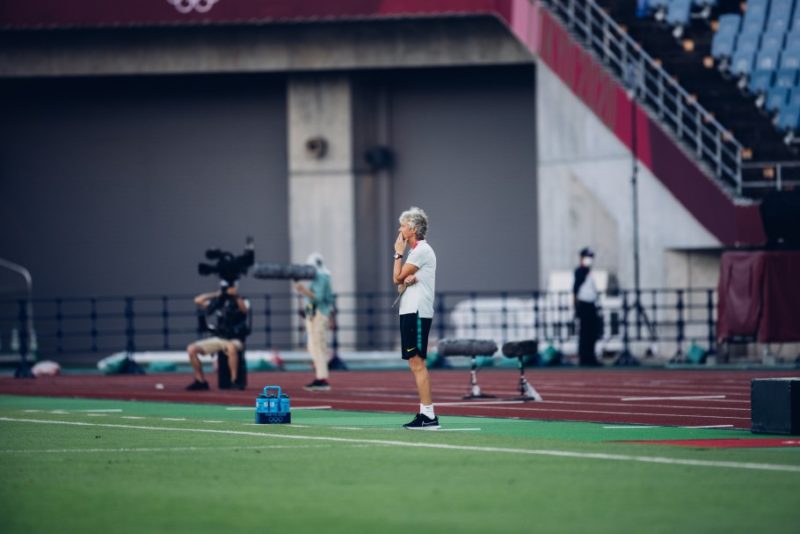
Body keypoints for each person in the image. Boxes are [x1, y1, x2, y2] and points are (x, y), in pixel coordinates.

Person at [393, 206, 440, 430]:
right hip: (409, 311)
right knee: (414, 363)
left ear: (412, 229)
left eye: (402, 225)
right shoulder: (416, 252)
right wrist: (405, 280)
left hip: (418, 312)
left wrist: (397, 253)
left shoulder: (421, 251)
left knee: (418, 362)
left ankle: (429, 415)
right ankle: (425, 413)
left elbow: (396, 278)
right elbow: (400, 283)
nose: (399, 229)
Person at [185, 280, 250, 390]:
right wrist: (216, 294)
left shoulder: (242, 300)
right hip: (219, 338)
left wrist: (235, 296)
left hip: (235, 338)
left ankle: (234, 380)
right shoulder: (218, 302)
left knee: (230, 347)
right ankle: (200, 380)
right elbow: (198, 300)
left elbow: (244, 310)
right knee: (191, 349)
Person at [294, 252, 335, 391]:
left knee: (318, 346)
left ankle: (322, 379)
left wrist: (303, 290)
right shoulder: (319, 277)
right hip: (314, 314)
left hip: (319, 314)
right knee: (313, 346)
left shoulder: (321, 277)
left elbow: (318, 298)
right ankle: (320, 377)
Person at [573, 247, 601, 367]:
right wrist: (576, 307)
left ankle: (591, 356)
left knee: (592, 332)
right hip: (583, 305)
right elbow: (575, 290)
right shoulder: (580, 271)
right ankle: (584, 357)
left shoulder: (589, 272)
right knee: (585, 332)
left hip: (591, 304)